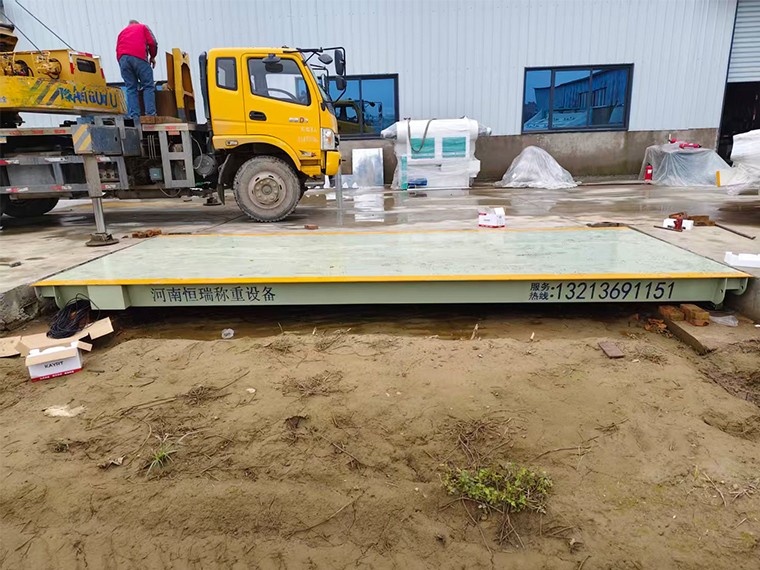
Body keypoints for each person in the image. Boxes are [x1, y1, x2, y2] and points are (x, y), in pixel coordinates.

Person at [116, 20, 158, 120]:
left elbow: (117, 49)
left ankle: (134, 116)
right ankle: (150, 115)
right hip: (138, 57)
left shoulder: (121, 33)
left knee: (131, 88)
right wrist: (152, 56)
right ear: (137, 23)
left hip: (123, 59)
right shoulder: (143, 27)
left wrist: (123, 63)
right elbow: (153, 43)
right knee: (148, 85)